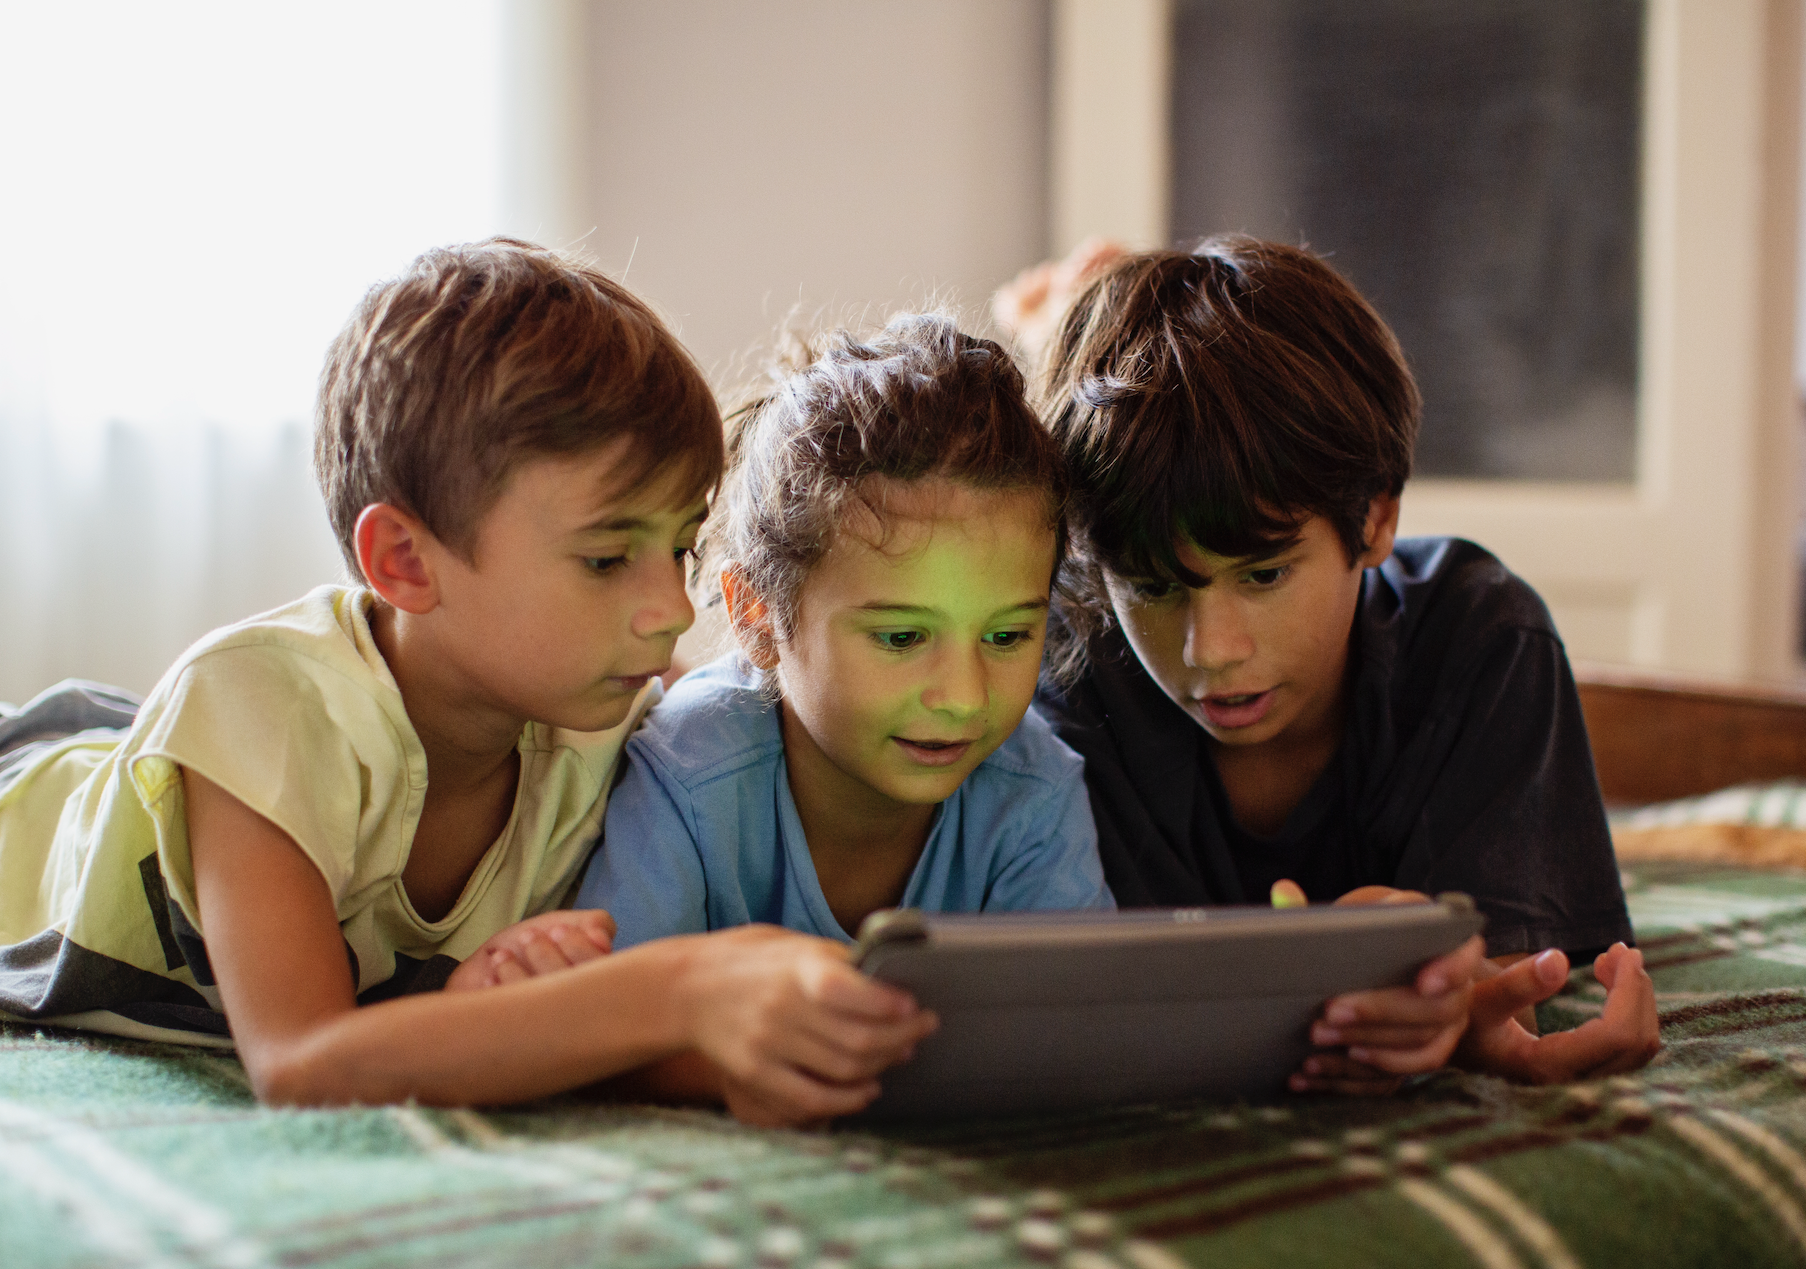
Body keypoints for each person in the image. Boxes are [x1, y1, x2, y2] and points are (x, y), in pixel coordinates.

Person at [0, 240, 935, 1126]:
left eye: (681, 548)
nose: (672, 609)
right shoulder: (263, 704)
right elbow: (302, 1059)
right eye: (609, 559)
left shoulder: (614, 720)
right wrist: (684, 990)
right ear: (406, 561)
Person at [1003, 236, 1659, 1088]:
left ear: (1377, 521)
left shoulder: (1478, 641)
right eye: (1157, 588)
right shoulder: (1058, 668)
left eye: (1265, 573)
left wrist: (1458, 1010)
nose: (1213, 651)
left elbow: (1503, 986)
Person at [575, 314, 1114, 950]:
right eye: (902, 638)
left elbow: (1067, 1031)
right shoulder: (688, 773)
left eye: (1005, 638)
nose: (965, 697)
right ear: (759, 619)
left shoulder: (1033, 792)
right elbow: (615, 1027)